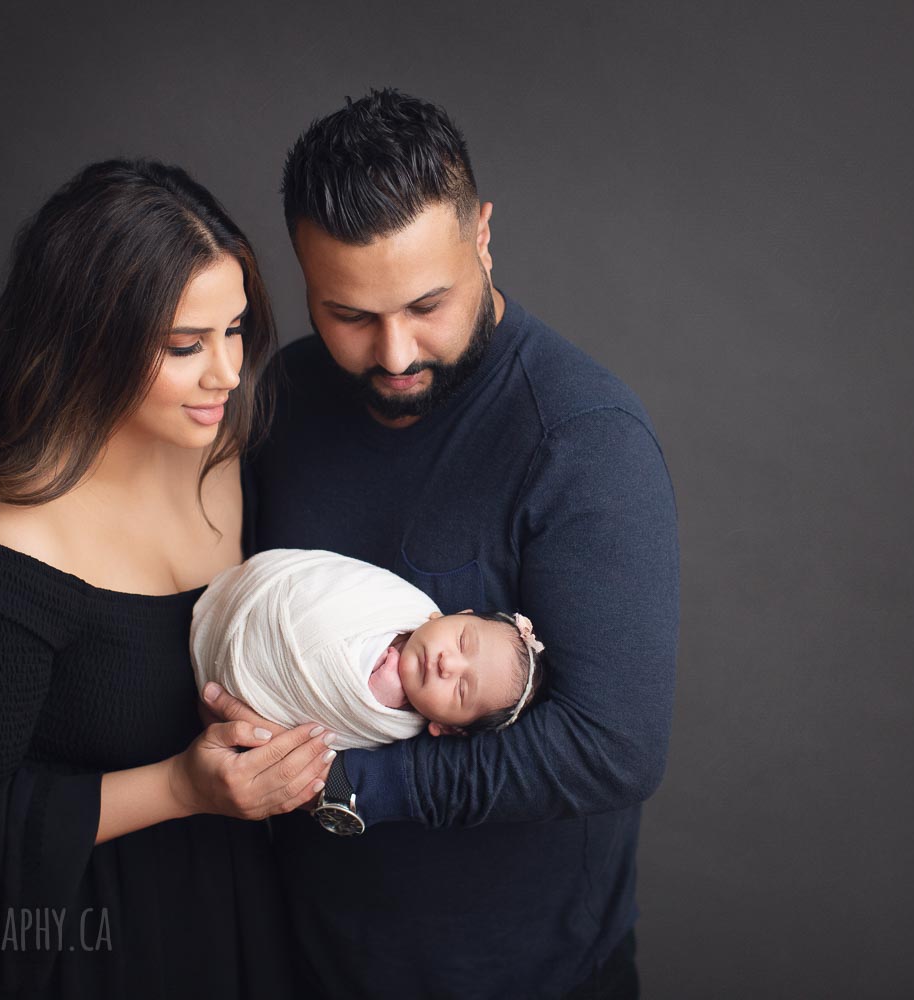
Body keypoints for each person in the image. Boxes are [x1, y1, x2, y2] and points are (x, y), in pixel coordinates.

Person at [211, 89, 681, 998]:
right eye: (347, 315)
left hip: (529, 976)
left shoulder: (584, 438)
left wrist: (349, 790)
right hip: (307, 957)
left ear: (484, 237)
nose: (393, 353)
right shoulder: (286, 397)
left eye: (427, 304)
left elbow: (613, 747)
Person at [0, 159, 334, 998]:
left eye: (235, 330)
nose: (227, 374)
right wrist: (180, 787)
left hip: (226, 914)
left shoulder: (231, 458)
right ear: (90, 343)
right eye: (185, 346)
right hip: (72, 951)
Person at [191, 547, 546, 749]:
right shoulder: (399, 599)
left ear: (448, 728)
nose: (447, 664)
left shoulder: (388, 727)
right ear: (457, 614)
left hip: (244, 686)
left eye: (461, 689)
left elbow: (322, 727)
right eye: (463, 640)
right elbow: (327, 576)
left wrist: (382, 689)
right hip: (251, 595)